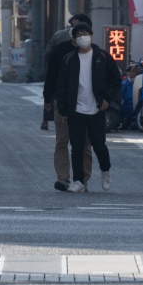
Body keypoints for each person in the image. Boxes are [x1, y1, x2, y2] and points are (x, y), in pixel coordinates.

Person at [53, 22, 119, 192]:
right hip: (76, 110)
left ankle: (105, 170)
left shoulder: (102, 57)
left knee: (99, 145)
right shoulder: (68, 60)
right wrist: (63, 110)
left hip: (96, 109)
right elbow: (61, 87)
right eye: (79, 35)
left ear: (91, 36)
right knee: (77, 147)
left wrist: (106, 99)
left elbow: (115, 79)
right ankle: (78, 180)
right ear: (74, 40)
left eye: (86, 34)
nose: (83, 37)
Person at [41, 13, 93, 191]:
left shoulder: (97, 54)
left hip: (87, 104)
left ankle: (83, 179)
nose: (76, 32)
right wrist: (47, 98)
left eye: (81, 29)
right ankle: (63, 178)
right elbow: (51, 75)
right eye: (73, 28)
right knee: (62, 141)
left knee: (85, 143)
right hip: (62, 103)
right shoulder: (61, 49)